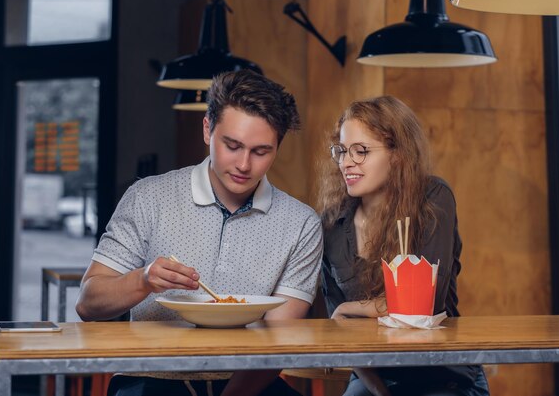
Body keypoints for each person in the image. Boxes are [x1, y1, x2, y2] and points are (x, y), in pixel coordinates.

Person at [76, 70, 323, 396]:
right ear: (207, 129)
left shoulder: (301, 223)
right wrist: (144, 279)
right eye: (232, 145)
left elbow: (278, 340)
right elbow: (88, 304)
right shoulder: (148, 197)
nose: (244, 165)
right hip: (152, 379)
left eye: (261, 151)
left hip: (247, 384)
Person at [317, 96, 490, 396]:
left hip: (442, 375)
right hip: (372, 376)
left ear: (398, 154)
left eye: (361, 151)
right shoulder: (332, 224)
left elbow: (425, 304)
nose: (346, 162)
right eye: (342, 151)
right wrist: (380, 392)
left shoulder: (433, 197)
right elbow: (342, 332)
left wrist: (351, 307)